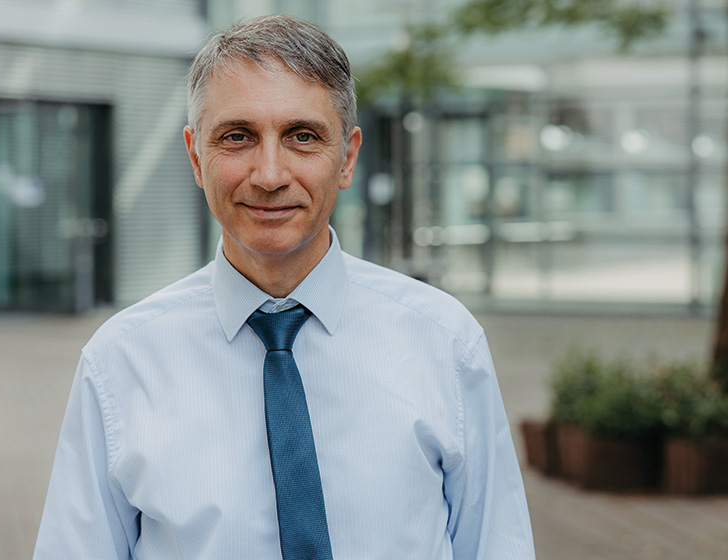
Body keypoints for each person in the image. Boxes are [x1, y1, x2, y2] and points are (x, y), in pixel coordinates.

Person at [33, 14, 535, 560]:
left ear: (346, 157)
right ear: (196, 156)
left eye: (302, 136)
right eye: (237, 137)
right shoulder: (120, 363)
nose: (270, 175)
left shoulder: (444, 342)